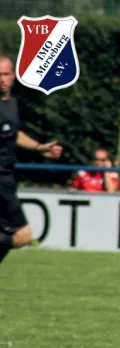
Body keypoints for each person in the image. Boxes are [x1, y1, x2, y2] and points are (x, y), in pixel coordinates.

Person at [0, 55, 62, 264]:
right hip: (1, 181)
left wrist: (39, 148)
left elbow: (14, 134)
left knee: (11, 237)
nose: (2, 79)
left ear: (14, 75)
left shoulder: (11, 104)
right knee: (23, 235)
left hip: (7, 178)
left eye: (6, 74)